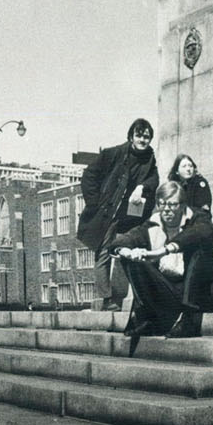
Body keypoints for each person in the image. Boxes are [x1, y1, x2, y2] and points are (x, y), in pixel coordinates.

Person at [111, 181, 213, 348]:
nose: (167, 209)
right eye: (162, 204)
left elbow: (204, 232)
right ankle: (147, 317)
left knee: (199, 249)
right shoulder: (153, 223)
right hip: (168, 289)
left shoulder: (198, 218)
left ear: (182, 205)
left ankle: (188, 320)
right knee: (133, 258)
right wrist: (127, 252)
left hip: (197, 292)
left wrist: (165, 250)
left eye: (172, 204)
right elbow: (124, 239)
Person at [78, 119, 160, 311]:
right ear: (131, 136)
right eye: (139, 135)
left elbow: (154, 178)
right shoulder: (114, 153)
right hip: (108, 214)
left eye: (146, 136)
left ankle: (123, 296)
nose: (142, 140)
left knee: (126, 251)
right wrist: (95, 203)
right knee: (104, 253)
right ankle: (107, 299)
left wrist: (141, 187)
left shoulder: (149, 158)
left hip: (130, 216)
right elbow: (89, 174)